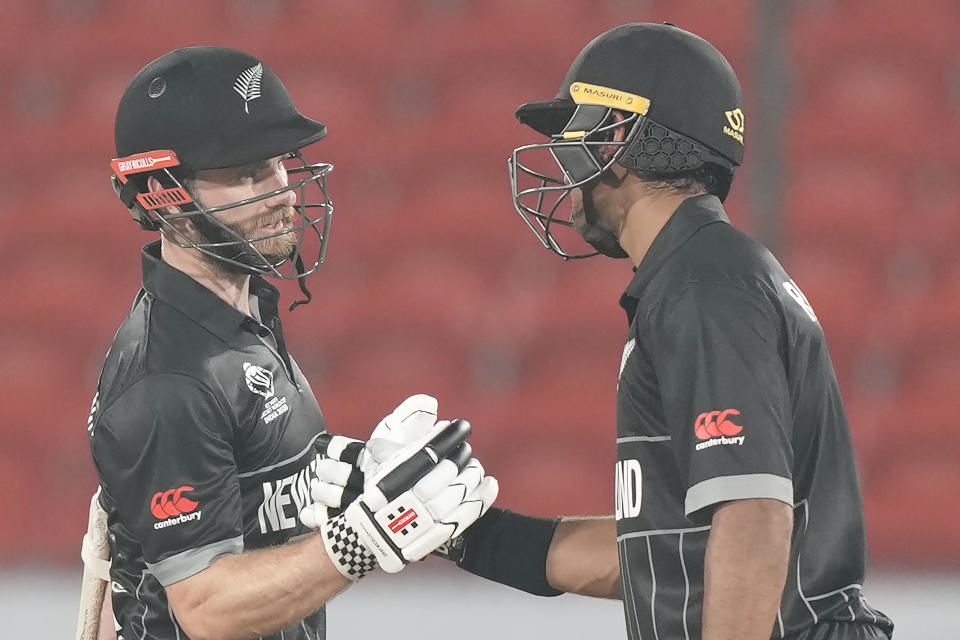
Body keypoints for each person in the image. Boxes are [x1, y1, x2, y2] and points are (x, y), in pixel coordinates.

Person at [314, 22, 895, 640]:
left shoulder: (704, 289)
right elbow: (660, 552)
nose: (561, 165)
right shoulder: (703, 278)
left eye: (571, 134)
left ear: (618, 134)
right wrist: (467, 536)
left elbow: (753, 518)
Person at [85, 46, 496, 640]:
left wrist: (341, 472)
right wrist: (364, 538)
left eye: (278, 162)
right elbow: (206, 607)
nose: (280, 190)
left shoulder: (238, 309)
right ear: (165, 195)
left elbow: (239, 481)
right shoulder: (169, 379)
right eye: (245, 172)